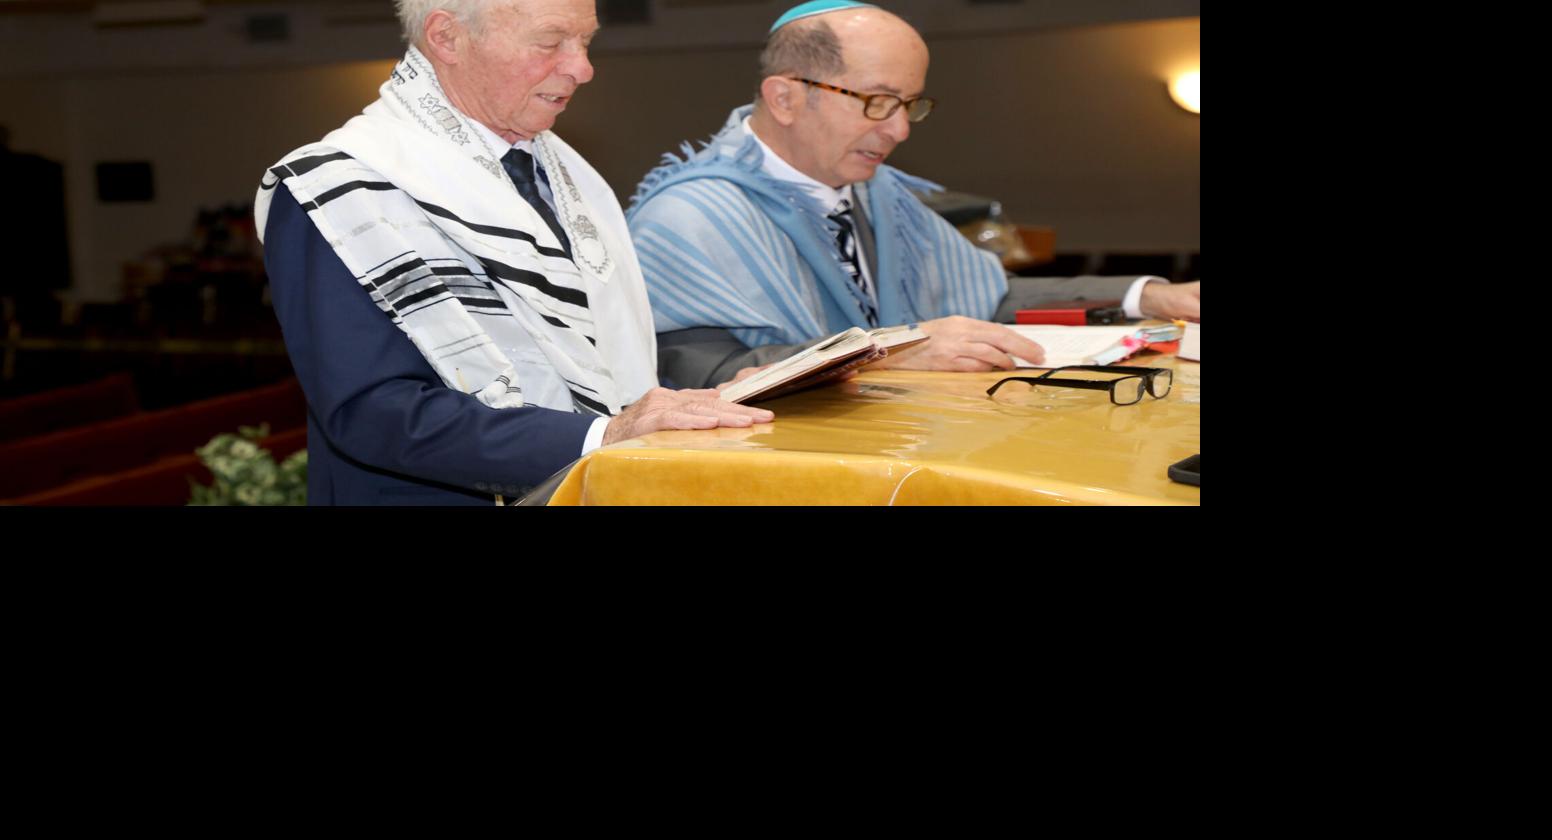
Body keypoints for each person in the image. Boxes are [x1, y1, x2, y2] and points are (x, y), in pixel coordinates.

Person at [254, 0, 770, 505]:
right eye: (551, 42)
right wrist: (602, 435)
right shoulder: (340, 190)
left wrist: (703, 397)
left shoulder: (564, 175)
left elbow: (588, 355)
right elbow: (372, 412)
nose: (583, 68)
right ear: (446, 37)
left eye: (585, 41)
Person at [625, 0, 1201, 389]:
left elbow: (986, 299)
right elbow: (696, 375)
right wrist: (889, 354)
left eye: (909, 105)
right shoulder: (687, 217)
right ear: (785, 99)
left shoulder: (880, 195)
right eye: (877, 102)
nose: (899, 130)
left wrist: (1149, 297)